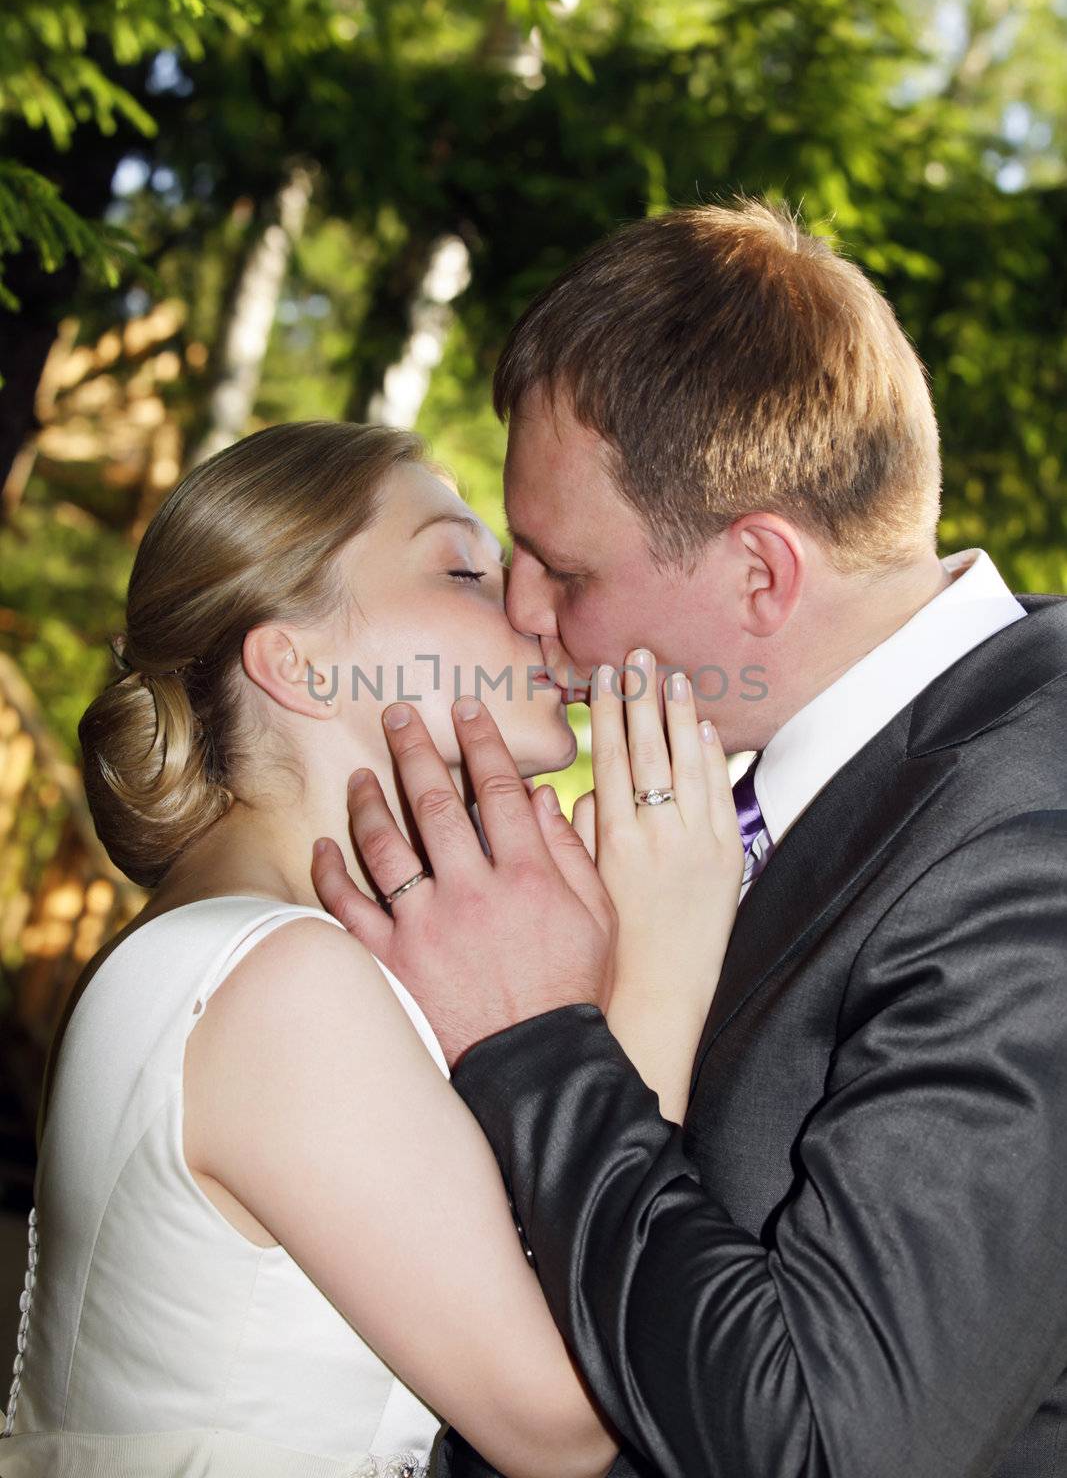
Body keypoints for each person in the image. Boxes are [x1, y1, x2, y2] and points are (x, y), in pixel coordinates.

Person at [313, 200, 1067, 1478]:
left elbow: (831, 1444)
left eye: (566, 572)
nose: (522, 612)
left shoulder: (1026, 829)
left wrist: (532, 1040)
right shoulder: (733, 800)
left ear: (760, 575)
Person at [0, 419, 743, 1478]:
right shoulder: (278, 981)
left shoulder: (228, 950)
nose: (534, 614)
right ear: (295, 661)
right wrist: (666, 962)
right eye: (462, 570)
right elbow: (569, 1422)